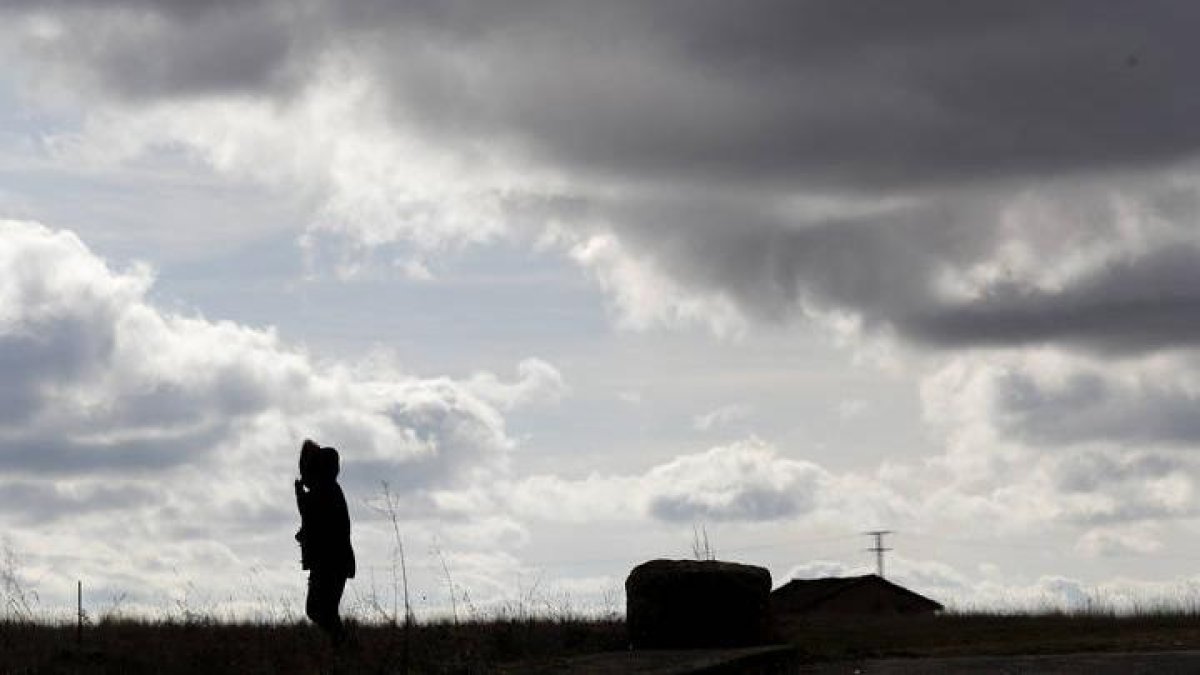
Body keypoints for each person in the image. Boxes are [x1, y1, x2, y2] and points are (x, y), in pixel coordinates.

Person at [295, 439, 356, 644]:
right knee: (322, 611)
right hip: (331, 562)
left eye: (305, 467)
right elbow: (317, 524)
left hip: (330, 562)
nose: (302, 474)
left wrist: (301, 498)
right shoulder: (326, 489)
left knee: (319, 611)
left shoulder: (324, 490)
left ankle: (347, 648)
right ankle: (345, 650)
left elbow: (317, 521)